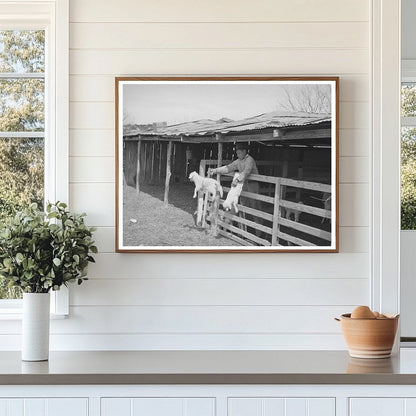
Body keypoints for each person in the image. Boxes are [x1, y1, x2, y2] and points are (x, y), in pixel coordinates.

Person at [209, 143, 262, 237]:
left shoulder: (249, 160)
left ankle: (259, 234)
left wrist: (237, 179)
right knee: (242, 206)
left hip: (252, 186)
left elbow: (247, 171)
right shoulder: (238, 161)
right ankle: (243, 232)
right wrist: (216, 170)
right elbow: (228, 168)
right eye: (237, 153)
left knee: (255, 208)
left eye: (239, 153)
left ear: (245, 152)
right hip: (244, 186)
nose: (238, 155)